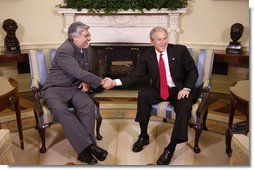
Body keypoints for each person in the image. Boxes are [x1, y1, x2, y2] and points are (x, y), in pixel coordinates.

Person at [104, 26, 198, 165]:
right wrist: (114, 82)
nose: (163, 42)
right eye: (159, 39)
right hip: (160, 89)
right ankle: (143, 136)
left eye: (165, 38)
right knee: (143, 94)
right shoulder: (146, 55)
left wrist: (186, 88)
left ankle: (170, 147)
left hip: (180, 89)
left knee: (184, 105)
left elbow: (192, 71)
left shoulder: (180, 50)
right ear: (151, 41)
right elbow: (136, 75)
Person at [42, 21, 112, 164]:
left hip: (74, 87)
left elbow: (83, 71)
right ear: (75, 37)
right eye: (86, 35)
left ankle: (84, 152)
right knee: (62, 112)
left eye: (89, 35)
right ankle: (90, 147)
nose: (89, 38)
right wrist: (102, 82)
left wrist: (85, 80)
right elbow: (77, 71)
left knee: (87, 104)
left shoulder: (87, 48)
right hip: (55, 89)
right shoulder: (64, 51)